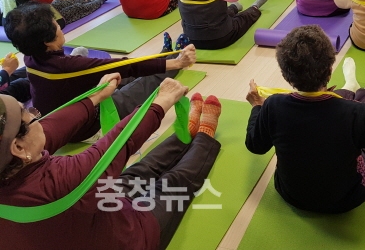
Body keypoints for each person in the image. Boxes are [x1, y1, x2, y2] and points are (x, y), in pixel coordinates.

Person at [0, 75, 222, 250]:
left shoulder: (10, 162)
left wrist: (97, 96)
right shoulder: (61, 179)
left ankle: (187, 134)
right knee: (172, 183)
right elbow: (118, 144)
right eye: (27, 113)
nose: (35, 116)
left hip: (89, 216)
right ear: (18, 147)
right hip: (125, 238)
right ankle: (204, 136)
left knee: (138, 171)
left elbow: (54, 127)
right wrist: (161, 101)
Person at [245, 25, 365, 213]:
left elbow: (255, 145)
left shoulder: (273, 105)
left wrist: (257, 106)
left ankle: (350, 84)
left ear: (286, 76)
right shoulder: (357, 114)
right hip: (347, 198)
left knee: (334, 102)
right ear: (329, 70)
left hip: (292, 194)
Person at [4, 2, 196, 143]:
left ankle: (163, 56)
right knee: (141, 82)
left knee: (117, 75)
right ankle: (174, 62)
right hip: (88, 127)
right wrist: (178, 63)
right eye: (57, 26)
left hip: (59, 115)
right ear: (47, 41)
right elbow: (127, 66)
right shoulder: (68, 67)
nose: (60, 28)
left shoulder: (30, 56)